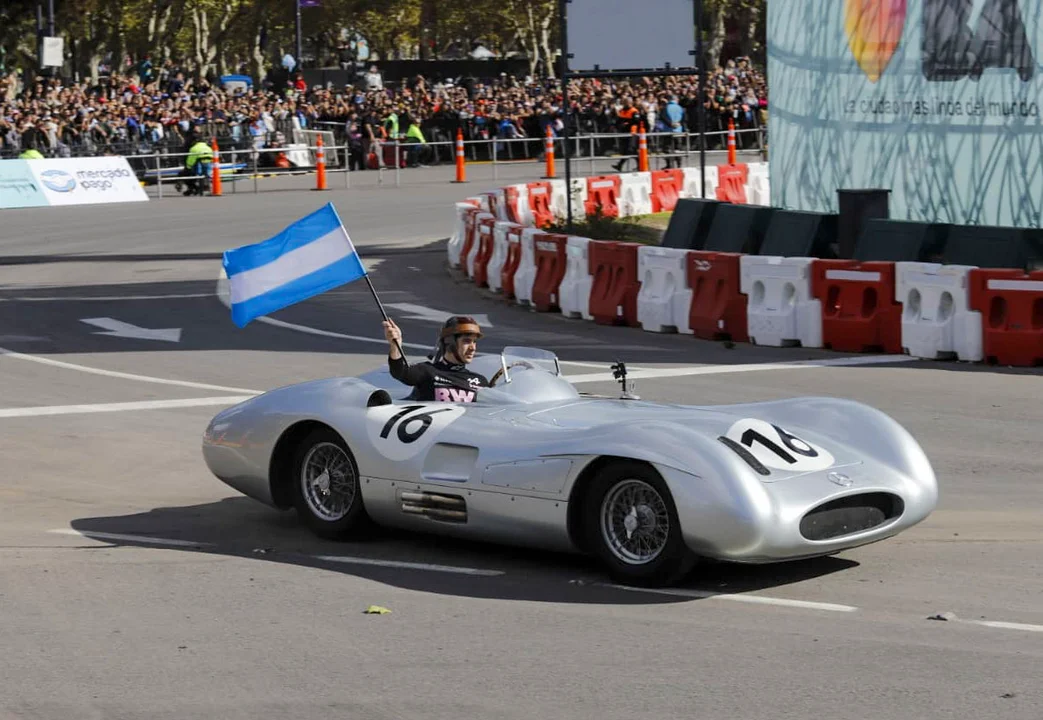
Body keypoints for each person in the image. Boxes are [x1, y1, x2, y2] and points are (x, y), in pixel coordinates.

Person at [383, 316, 490, 402]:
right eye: (467, 341)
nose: (473, 348)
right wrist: (395, 346)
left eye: (474, 342)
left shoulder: (480, 382)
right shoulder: (427, 372)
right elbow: (400, 372)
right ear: (450, 342)